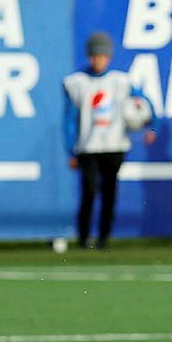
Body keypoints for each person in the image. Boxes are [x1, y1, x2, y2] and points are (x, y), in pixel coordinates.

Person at [63, 32, 154, 250]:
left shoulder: (121, 81)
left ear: (109, 58)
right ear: (89, 57)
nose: (98, 60)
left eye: (103, 56)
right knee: (90, 191)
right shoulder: (76, 82)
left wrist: (152, 126)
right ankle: (84, 238)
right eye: (95, 56)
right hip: (88, 147)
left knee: (110, 193)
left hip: (114, 145)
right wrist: (71, 150)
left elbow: (146, 105)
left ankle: (104, 239)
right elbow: (68, 119)